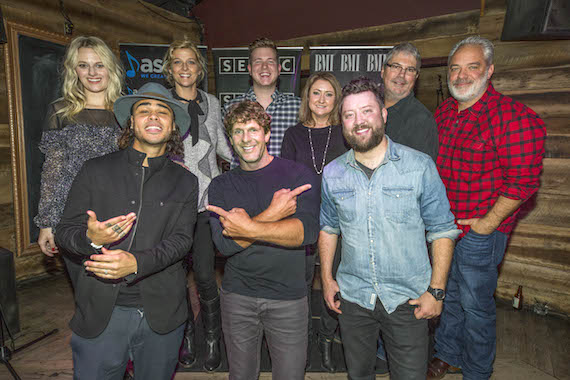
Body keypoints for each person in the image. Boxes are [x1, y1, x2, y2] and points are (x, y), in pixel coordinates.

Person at [319, 78, 460, 380]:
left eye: (367, 111)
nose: (359, 121)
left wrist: (436, 290)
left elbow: (443, 230)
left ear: (383, 114)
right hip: (354, 299)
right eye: (349, 114)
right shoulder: (333, 174)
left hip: (407, 299)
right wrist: (327, 278)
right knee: (358, 375)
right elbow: (329, 227)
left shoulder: (419, 166)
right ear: (341, 122)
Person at [55, 82, 199, 380]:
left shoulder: (185, 181)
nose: (154, 116)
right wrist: (91, 239)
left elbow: (182, 241)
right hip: (102, 314)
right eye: (144, 110)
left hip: (162, 315)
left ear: (173, 126)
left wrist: (137, 263)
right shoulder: (94, 170)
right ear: (131, 122)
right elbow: (65, 232)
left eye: (163, 112)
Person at [428, 36, 546, 380]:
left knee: (476, 306)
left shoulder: (513, 117)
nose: (461, 75)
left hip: (480, 233)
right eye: (455, 68)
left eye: (472, 67)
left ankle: (478, 371)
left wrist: (487, 223)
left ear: (489, 70)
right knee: (447, 295)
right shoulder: (445, 112)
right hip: (443, 229)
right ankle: (448, 354)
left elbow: (523, 182)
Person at [207, 100, 320, 380]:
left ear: (267, 133)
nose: (246, 139)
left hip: (288, 298)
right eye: (238, 132)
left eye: (253, 130)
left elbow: (305, 233)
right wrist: (273, 214)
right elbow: (223, 245)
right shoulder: (221, 185)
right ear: (230, 139)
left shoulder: (297, 175)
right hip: (238, 297)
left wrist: (245, 228)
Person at [162, 38, 233, 371]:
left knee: (205, 275)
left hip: (206, 201)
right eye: (178, 62)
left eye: (191, 62)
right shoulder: (159, 103)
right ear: (169, 68)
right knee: (175, 277)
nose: (185, 68)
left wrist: (252, 165)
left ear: (199, 69)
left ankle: (212, 337)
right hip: (171, 204)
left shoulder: (213, 103)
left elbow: (221, 145)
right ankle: (186, 335)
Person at [375, 41, 440, 372]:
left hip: (401, 234)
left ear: (417, 77)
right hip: (368, 228)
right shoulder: (369, 109)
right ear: (383, 70)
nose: (401, 75)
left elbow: (420, 187)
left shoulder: (421, 121)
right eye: (395, 67)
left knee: (404, 320)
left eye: (409, 69)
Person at [35, 36, 123, 264]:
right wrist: (47, 222)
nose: (92, 72)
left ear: (110, 69)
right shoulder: (60, 111)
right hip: (74, 214)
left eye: (99, 64)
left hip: (121, 209)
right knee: (85, 290)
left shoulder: (127, 110)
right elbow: (52, 173)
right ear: (74, 70)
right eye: (83, 65)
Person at [281, 71, 348, 372]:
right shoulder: (293, 134)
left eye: (328, 94)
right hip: (303, 218)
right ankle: (304, 339)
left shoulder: (346, 131)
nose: (321, 99)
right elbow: (285, 180)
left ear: (336, 100)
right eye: (316, 93)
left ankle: (326, 339)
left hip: (339, 218)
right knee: (302, 282)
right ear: (307, 97)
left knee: (333, 281)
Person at [223, 37, 301, 166]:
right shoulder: (230, 108)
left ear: (279, 68)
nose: (264, 67)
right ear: (249, 69)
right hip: (243, 184)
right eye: (258, 62)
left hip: (286, 182)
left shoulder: (298, 108)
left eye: (270, 61)